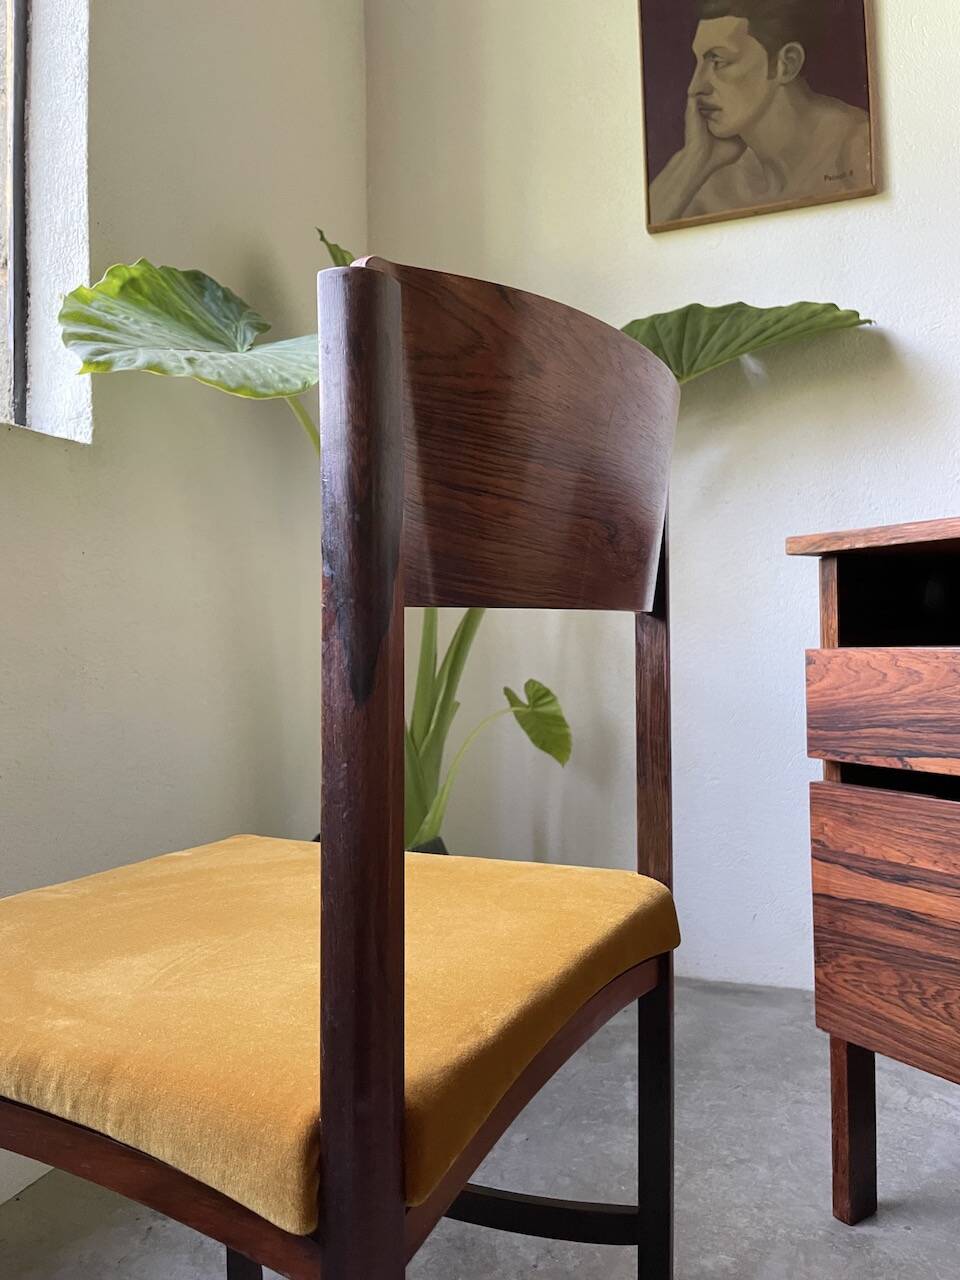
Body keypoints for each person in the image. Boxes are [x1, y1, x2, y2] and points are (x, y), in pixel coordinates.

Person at [649, 0, 871, 224]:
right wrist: (692, 159)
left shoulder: (860, 150)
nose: (695, 87)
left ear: (787, 64)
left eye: (718, 61)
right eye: (698, 63)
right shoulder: (716, 179)